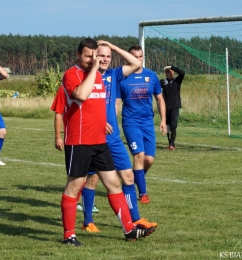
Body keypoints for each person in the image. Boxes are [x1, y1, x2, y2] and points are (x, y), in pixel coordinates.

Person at [59, 38, 154, 246]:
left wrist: (111, 49)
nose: (93, 60)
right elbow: (82, 96)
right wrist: (94, 70)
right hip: (80, 141)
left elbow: (100, 106)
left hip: (100, 142)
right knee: (74, 187)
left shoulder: (105, 76)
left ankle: (129, 229)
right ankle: (69, 235)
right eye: (88, 56)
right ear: (78, 55)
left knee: (114, 183)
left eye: (96, 56)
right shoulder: (71, 74)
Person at [81, 42, 158, 233]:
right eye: (101, 55)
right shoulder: (88, 77)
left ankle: (136, 220)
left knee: (128, 176)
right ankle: (87, 221)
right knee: (92, 180)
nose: (105, 59)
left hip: (113, 138)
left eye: (108, 56)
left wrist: (114, 47)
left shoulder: (114, 75)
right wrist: (98, 122)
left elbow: (135, 64)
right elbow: (81, 105)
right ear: (94, 57)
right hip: (94, 137)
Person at [116, 44, 166, 204]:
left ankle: (131, 179)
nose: (138, 60)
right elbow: (117, 103)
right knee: (139, 156)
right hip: (130, 122)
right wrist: (112, 121)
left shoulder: (151, 76)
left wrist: (163, 120)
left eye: (140, 57)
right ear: (128, 58)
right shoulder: (122, 78)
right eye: (135, 57)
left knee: (149, 159)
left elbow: (159, 99)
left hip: (147, 123)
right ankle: (143, 194)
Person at [51, 85, 99, 213]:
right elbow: (58, 114)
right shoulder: (64, 89)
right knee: (78, 177)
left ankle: (88, 206)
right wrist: (58, 137)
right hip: (75, 140)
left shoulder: (93, 88)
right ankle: (74, 203)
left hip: (94, 138)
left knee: (93, 175)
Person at [160, 65, 185, 150]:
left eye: (170, 71)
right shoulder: (163, 81)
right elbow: (154, 86)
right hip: (165, 107)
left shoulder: (177, 80)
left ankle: (172, 144)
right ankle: (170, 143)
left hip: (175, 106)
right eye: (166, 71)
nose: (168, 73)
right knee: (167, 126)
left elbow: (182, 73)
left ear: (173, 71)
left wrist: (173, 67)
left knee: (173, 125)